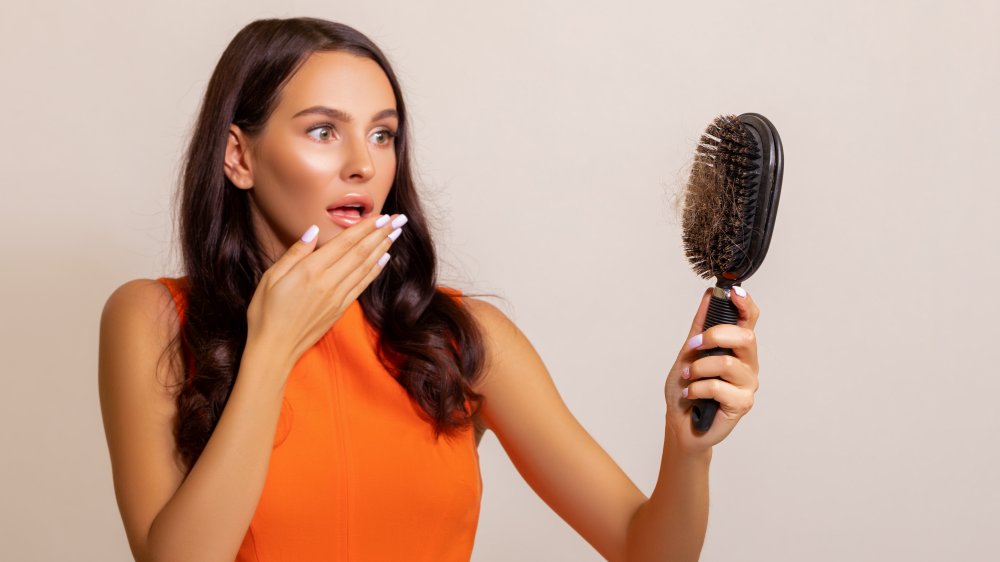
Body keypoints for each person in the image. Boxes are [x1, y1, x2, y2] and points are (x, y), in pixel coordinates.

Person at [97, 17, 761, 562]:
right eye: (324, 131)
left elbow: (649, 551)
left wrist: (687, 450)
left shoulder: (463, 337)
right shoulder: (152, 319)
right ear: (239, 156)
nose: (363, 164)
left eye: (382, 134)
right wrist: (272, 348)